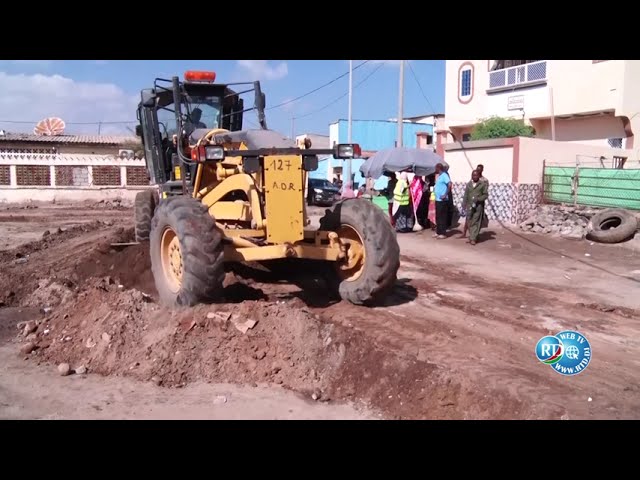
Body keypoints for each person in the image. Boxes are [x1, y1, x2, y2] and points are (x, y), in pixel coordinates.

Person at [462, 169, 488, 245]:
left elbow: (485, 195)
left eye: (476, 175)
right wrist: (464, 203)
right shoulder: (469, 184)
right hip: (469, 205)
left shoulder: (482, 184)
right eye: (473, 175)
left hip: (478, 206)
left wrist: (479, 199)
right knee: (469, 221)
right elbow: (466, 194)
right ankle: (472, 236)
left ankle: (473, 238)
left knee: (476, 221)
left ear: (478, 176)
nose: (474, 176)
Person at [433, 163, 451, 239]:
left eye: (435, 168)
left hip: (443, 200)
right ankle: (438, 232)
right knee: (438, 216)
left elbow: (449, 184)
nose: (435, 170)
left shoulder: (444, 175)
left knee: (442, 216)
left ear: (438, 168)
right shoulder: (439, 176)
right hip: (438, 199)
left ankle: (443, 233)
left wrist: (445, 194)